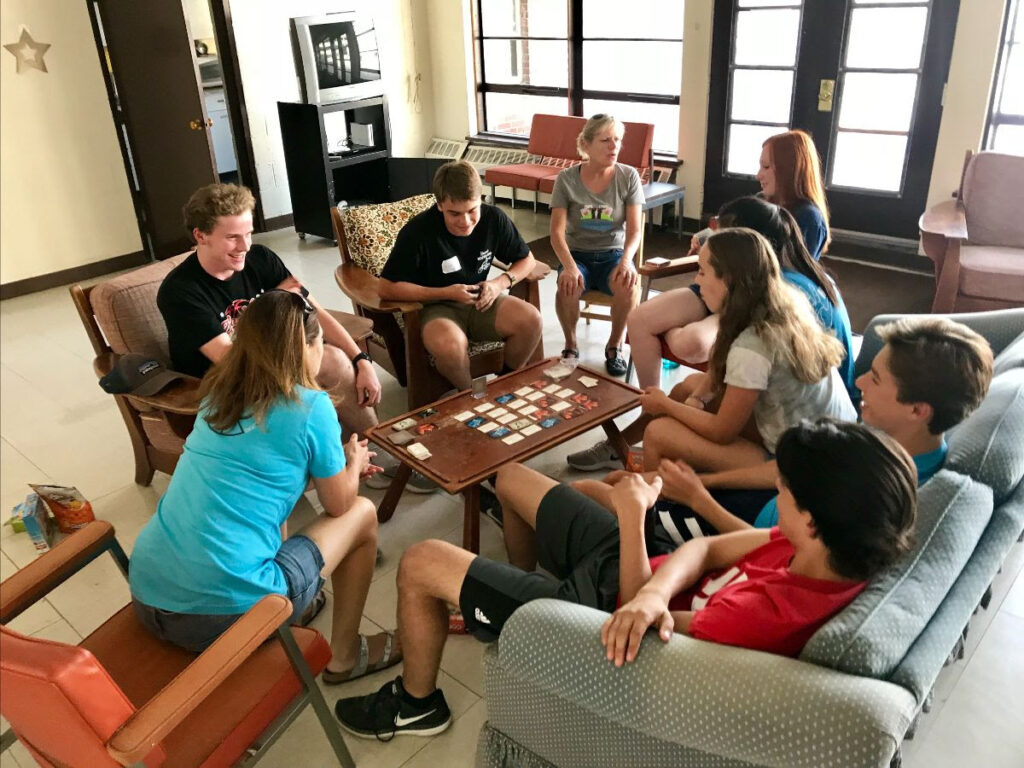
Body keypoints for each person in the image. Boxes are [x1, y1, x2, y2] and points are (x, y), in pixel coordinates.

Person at [332, 419, 917, 739]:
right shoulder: (825, 544)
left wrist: (635, 519)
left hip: (600, 613)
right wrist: (658, 585)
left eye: (783, 490)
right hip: (642, 572)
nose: (776, 494)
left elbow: (632, 620)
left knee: (420, 561)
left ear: (810, 518)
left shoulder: (763, 618)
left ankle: (417, 705)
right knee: (510, 476)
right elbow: (707, 548)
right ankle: (503, 606)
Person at [130, 291, 401, 683]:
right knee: (362, 515)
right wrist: (352, 464)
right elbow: (340, 504)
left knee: (259, 506)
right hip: (221, 617)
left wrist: (330, 469)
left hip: (148, 592)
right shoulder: (310, 406)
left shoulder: (219, 391)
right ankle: (345, 655)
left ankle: (297, 604)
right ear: (308, 347)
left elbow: (266, 478)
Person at [596, 316, 995, 545]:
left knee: (597, 498)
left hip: (740, 529)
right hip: (760, 499)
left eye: (875, 379)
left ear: (917, 410)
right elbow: (787, 471)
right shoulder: (887, 439)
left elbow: (779, 553)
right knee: (621, 482)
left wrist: (699, 498)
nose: (859, 384)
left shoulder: (883, 492)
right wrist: (702, 482)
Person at [572, 195, 855, 471]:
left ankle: (651, 487)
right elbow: (717, 375)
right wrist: (692, 400)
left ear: (729, 281)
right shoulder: (770, 304)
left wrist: (666, 406)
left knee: (660, 432)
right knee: (686, 389)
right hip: (812, 430)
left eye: (703, 272)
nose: (696, 280)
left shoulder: (752, 344)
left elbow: (721, 432)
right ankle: (619, 447)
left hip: (809, 459)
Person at [619, 129, 831, 380]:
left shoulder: (809, 219)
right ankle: (650, 400)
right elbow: (730, 231)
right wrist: (706, 239)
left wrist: (668, 328)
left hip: (748, 302)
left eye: (766, 167)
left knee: (691, 343)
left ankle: (672, 369)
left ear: (789, 168)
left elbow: (787, 283)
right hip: (715, 287)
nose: (758, 175)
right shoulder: (760, 201)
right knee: (638, 319)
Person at [378, 160, 543, 390]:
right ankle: (471, 396)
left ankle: (502, 386)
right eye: (454, 213)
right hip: (433, 307)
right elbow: (385, 288)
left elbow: (527, 259)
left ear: (481, 199)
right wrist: (446, 292)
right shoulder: (418, 232)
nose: (465, 222)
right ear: (440, 205)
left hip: (481, 301)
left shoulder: (494, 218)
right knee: (451, 346)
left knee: (531, 320)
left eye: (472, 210)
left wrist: (499, 283)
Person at [550, 114, 643, 376]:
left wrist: (626, 261)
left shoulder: (628, 176)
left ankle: (614, 346)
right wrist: (569, 267)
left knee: (629, 284)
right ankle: (571, 345)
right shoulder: (566, 179)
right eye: (605, 141)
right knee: (567, 284)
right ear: (586, 144)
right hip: (577, 255)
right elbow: (556, 233)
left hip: (613, 254)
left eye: (617, 140)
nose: (614, 147)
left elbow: (635, 230)